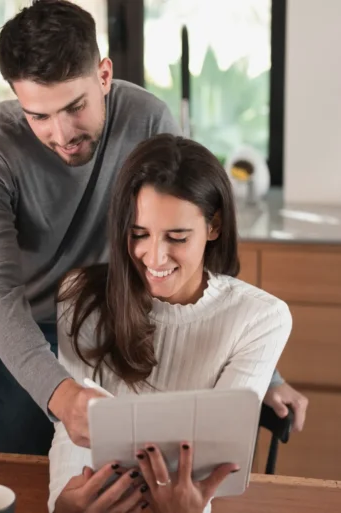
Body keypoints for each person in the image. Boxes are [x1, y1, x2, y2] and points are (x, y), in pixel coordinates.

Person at [0, 0, 307, 457]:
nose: (61, 134)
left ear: (103, 75)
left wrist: (264, 373)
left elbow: (185, 242)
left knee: (7, 470)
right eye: (38, 116)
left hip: (68, 322)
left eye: (74, 107)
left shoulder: (146, 121)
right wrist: (62, 395)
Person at [49, 134, 292, 513]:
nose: (155, 257)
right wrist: (61, 507)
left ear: (214, 226)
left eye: (177, 237)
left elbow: (211, 466)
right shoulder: (79, 296)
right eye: (139, 234)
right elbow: (72, 435)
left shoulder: (262, 318)